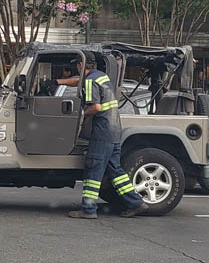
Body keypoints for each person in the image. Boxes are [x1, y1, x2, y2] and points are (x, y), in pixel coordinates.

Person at [56, 55, 148, 219]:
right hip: (114, 131)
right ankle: (136, 203)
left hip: (102, 133)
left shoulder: (91, 81)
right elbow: (79, 80)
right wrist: (60, 82)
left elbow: (96, 106)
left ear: (81, 64)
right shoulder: (101, 77)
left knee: (93, 171)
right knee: (116, 171)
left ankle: (88, 210)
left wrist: (82, 114)